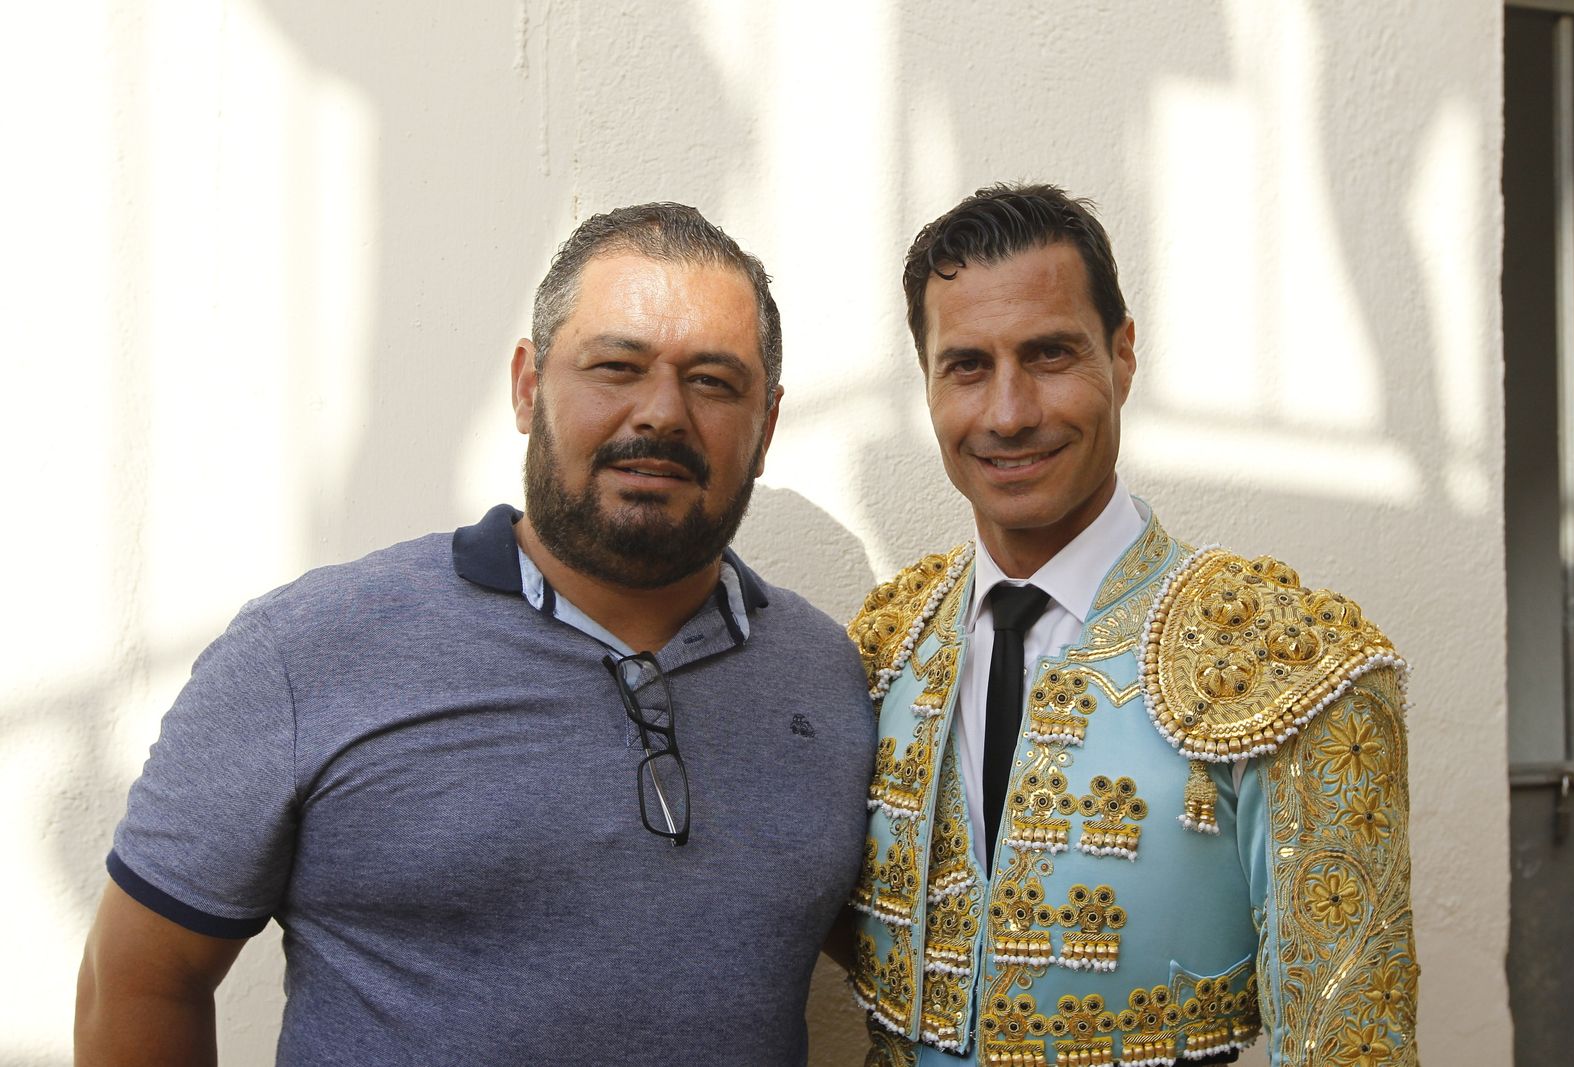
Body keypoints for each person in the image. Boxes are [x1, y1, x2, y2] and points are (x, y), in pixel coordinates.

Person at [75, 202, 876, 1066]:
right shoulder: (306, 650)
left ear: (768, 424)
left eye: (714, 381)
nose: (662, 413)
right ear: (529, 386)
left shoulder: (825, 674)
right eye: (616, 365)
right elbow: (137, 980)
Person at [845, 184, 1417, 1066]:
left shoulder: (1283, 658)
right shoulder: (881, 649)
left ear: (1122, 356)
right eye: (966, 365)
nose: (1008, 412)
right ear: (927, 380)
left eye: (1049, 354)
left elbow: (1348, 1045)